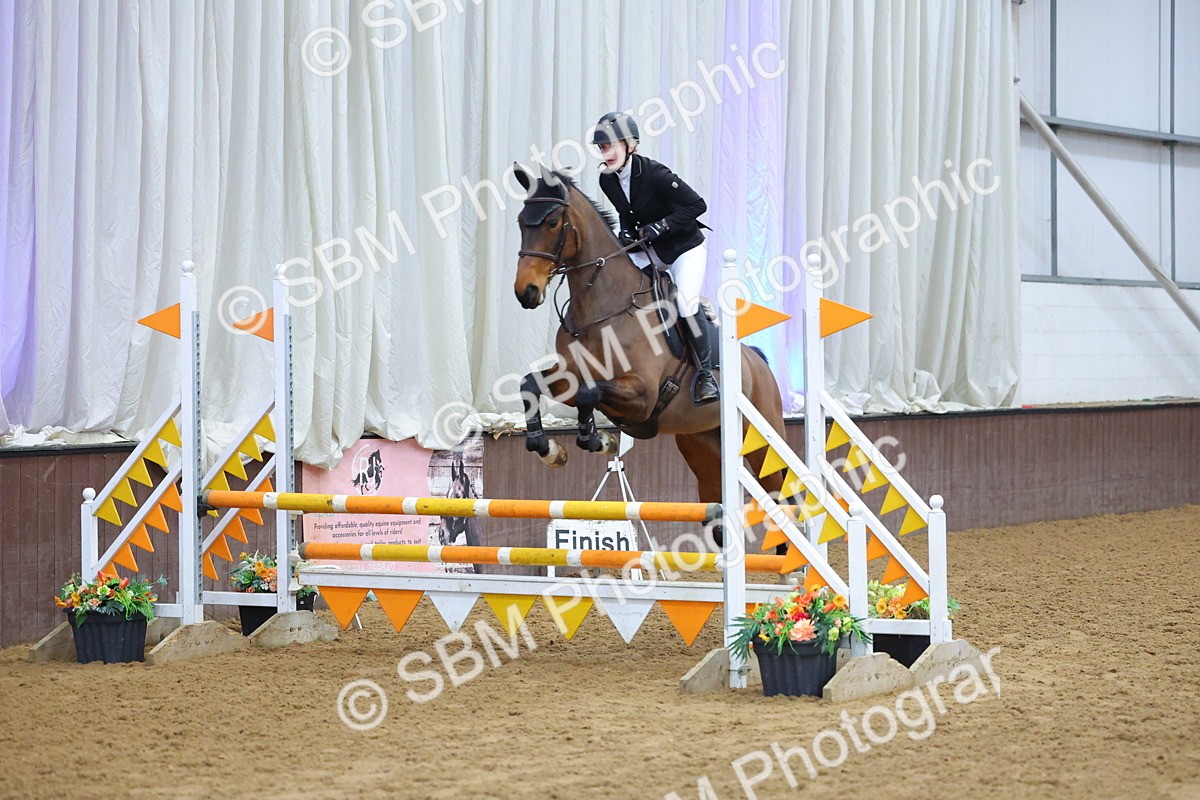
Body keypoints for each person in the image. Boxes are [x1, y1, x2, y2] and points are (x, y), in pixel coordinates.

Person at [592, 111, 719, 404]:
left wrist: (662, 226)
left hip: (683, 248)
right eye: (602, 147)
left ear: (631, 145)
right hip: (649, 251)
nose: (606, 153)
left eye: (611, 146)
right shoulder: (607, 180)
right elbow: (626, 212)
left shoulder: (654, 173)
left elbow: (697, 205)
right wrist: (625, 233)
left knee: (685, 304)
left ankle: (705, 376)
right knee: (619, 289)